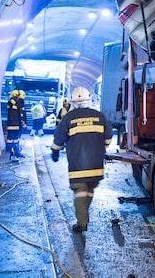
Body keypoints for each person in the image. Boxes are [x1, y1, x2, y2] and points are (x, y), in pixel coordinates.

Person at [51, 86, 113, 233]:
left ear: (73, 102)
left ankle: (82, 223)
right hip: (96, 165)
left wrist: (55, 151)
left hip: (78, 166)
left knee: (80, 192)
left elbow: (59, 138)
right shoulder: (99, 116)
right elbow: (109, 138)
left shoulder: (68, 118)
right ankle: (84, 217)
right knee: (89, 190)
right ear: (89, 100)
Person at [5, 90, 25, 160]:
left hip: (17, 124)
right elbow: (12, 105)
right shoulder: (12, 102)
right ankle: (11, 153)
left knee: (16, 139)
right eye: (17, 95)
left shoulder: (18, 104)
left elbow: (21, 114)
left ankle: (16, 152)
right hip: (12, 124)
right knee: (11, 139)